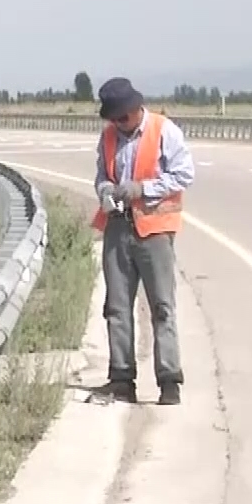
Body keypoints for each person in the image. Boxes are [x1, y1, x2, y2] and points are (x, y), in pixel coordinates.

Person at [87, 77, 195, 405]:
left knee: (162, 306)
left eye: (122, 118)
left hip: (155, 231)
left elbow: (184, 174)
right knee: (117, 308)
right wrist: (106, 190)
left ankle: (169, 381)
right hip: (118, 228)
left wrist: (141, 189)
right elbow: (102, 176)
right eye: (112, 119)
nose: (117, 125)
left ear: (136, 109)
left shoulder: (164, 131)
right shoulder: (108, 137)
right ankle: (121, 379)